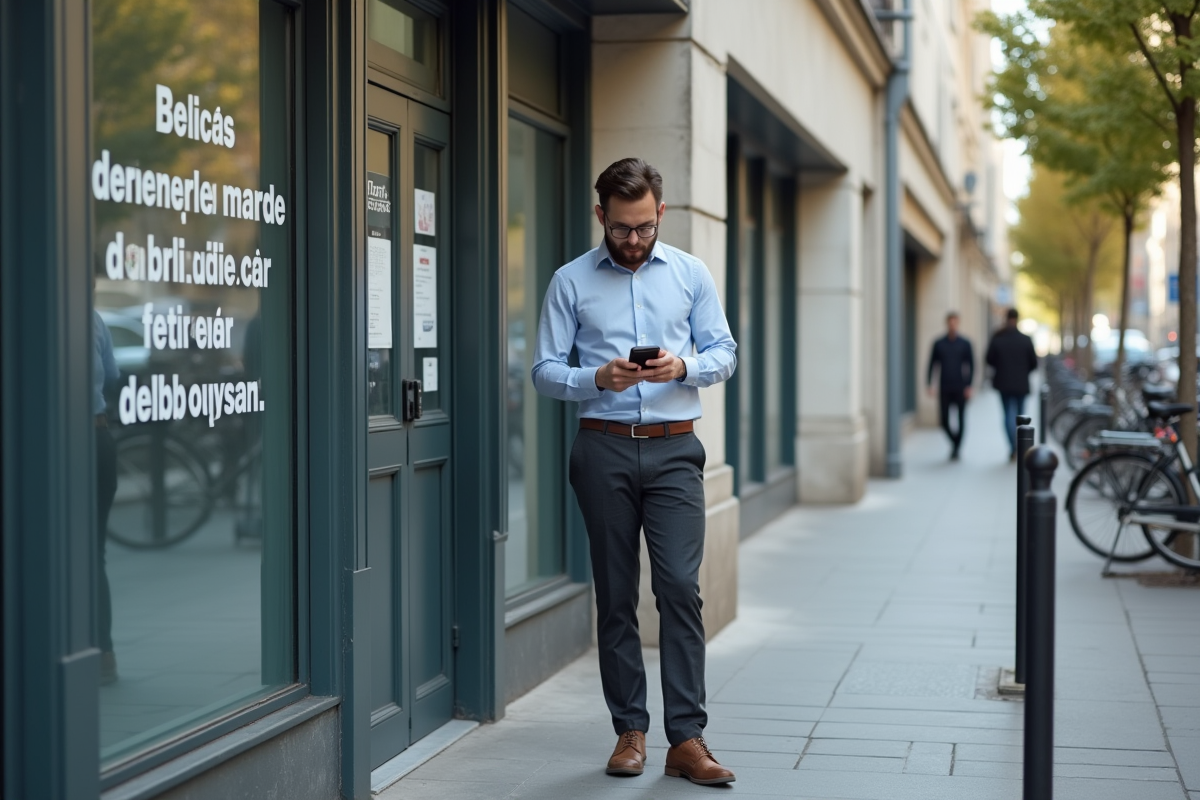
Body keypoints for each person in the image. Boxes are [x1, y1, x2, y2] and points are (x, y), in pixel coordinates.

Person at [532, 158, 738, 785]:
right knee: (616, 594)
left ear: (660, 214)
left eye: (645, 227)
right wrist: (596, 376)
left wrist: (684, 368)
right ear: (601, 216)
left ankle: (688, 739)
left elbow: (724, 351)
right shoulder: (570, 281)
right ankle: (631, 730)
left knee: (679, 587)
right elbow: (543, 369)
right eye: (622, 228)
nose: (634, 240)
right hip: (603, 449)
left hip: (676, 449)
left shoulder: (691, 274)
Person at [93, 310, 120, 684]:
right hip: (100, 439)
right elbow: (112, 376)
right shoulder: (95, 319)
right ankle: (104, 655)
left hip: (64, 438)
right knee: (92, 554)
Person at [986, 308, 1039, 460]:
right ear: (1017, 319)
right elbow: (1034, 363)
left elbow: (989, 359)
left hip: (1003, 383)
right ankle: (1020, 445)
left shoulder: (998, 337)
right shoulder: (1025, 339)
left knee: (1008, 414)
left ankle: (1013, 447)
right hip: (1021, 383)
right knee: (1021, 415)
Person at [926, 311, 975, 460]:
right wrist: (929, 384)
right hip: (944, 387)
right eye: (950, 322)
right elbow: (931, 364)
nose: (952, 325)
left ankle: (956, 449)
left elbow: (971, 365)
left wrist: (969, 385)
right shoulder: (939, 343)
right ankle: (955, 444)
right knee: (944, 421)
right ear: (947, 323)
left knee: (961, 419)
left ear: (958, 323)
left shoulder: (965, 343)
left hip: (960, 387)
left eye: (955, 322)